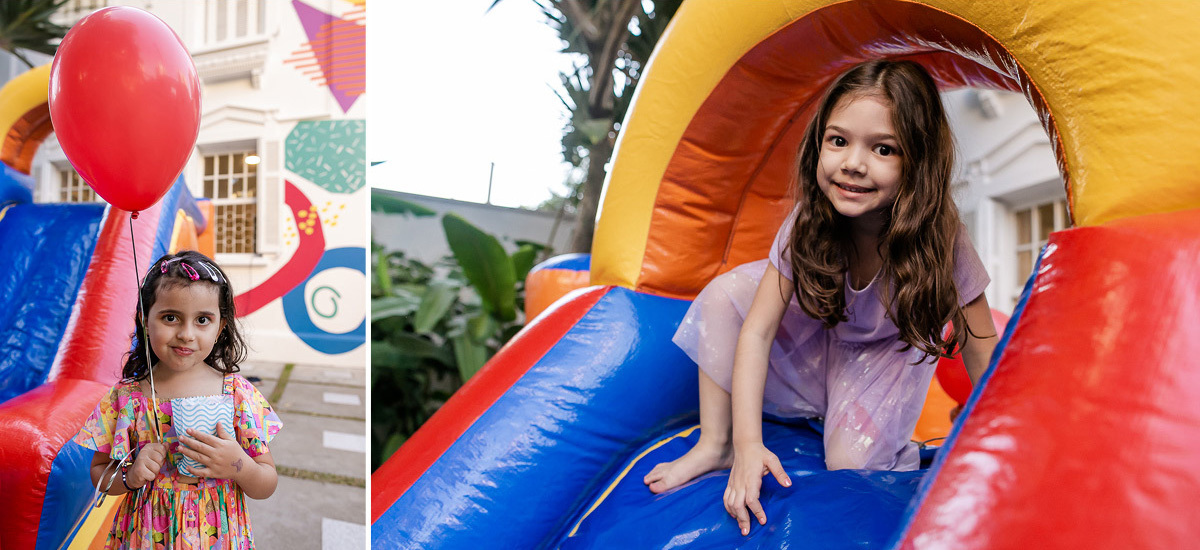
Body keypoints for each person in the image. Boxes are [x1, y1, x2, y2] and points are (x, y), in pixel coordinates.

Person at [642, 60, 999, 536]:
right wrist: (748, 445)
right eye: (838, 140)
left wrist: (1001, 447)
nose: (853, 162)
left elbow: (980, 348)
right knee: (726, 294)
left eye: (884, 149)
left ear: (919, 163)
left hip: (883, 351)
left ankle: (867, 427)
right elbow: (759, 329)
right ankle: (715, 443)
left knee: (850, 464)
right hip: (819, 331)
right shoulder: (809, 222)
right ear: (819, 144)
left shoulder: (944, 238)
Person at [75, 250, 282, 549]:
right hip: (145, 536)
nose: (186, 334)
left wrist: (238, 464)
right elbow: (100, 473)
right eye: (170, 317)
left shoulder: (237, 394)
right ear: (145, 320)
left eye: (202, 320)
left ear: (220, 327)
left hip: (217, 538)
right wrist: (131, 475)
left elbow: (266, 483)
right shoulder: (126, 398)